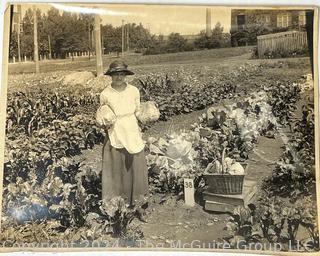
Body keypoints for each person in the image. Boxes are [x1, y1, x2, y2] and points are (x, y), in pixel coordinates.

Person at [97, 60, 149, 221]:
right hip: (115, 131)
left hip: (132, 130)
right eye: (115, 74)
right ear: (110, 76)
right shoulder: (105, 94)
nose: (119, 77)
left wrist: (148, 113)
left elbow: (138, 111)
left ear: (126, 75)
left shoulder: (134, 91)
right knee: (116, 168)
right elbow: (103, 113)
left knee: (136, 167)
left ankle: (138, 205)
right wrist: (103, 120)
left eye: (122, 74)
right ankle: (116, 206)